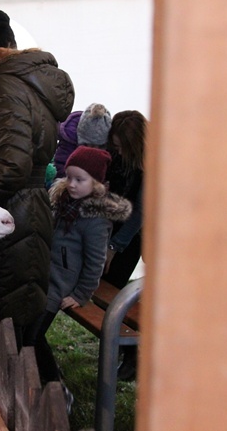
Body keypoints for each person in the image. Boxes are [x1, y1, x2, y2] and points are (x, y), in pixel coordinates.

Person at [0, 8, 75, 348]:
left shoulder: (5, 86)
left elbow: (10, 167)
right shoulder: (24, 84)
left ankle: (41, 394)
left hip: (12, 213)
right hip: (27, 209)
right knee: (19, 317)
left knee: (8, 326)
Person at [30, 146, 131, 390]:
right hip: (45, 275)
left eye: (79, 179)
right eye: (69, 177)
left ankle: (55, 385)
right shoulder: (64, 202)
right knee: (28, 332)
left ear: (96, 183)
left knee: (32, 336)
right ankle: (39, 378)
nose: (72, 184)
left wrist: (80, 294)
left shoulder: (96, 219)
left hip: (60, 285)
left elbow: (96, 262)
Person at [101, 110, 147, 381]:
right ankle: (119, 345)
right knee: (109, 288)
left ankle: (132, 353)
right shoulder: (120, 158)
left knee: (115, 291)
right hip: (115, 227)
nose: (115, 150)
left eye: (119, 146)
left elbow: (139, 214)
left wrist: (113, 248)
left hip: (133, 234)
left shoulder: (150, 166)